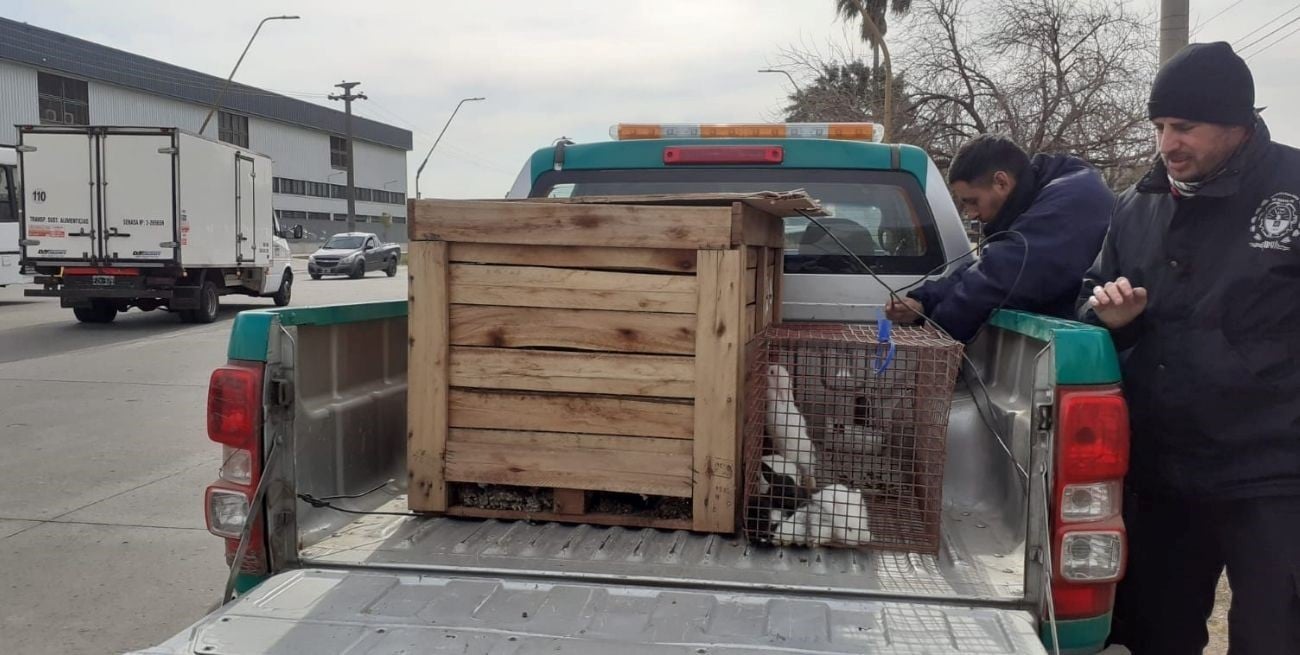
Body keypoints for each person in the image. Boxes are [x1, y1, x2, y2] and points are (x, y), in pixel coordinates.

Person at [1079, 42, 1300, 653]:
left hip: (1274, 472)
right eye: (1159, 127)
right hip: (1164, 468)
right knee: (1153, 634)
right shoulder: (1136, 206)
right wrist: (1111, 316)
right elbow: (1086, 297)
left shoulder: (1292, 192)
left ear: (1237, 123)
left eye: (1185, 127)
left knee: (1275, 635)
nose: (1167, 144)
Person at [884, 135, 1112, 341]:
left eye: (972, 201)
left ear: (1001, 182)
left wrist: (936, 336)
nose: (971, 214)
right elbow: (989, 263)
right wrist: (925, 300)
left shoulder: (1072, 201)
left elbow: (999, 277)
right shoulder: (1034, 198)